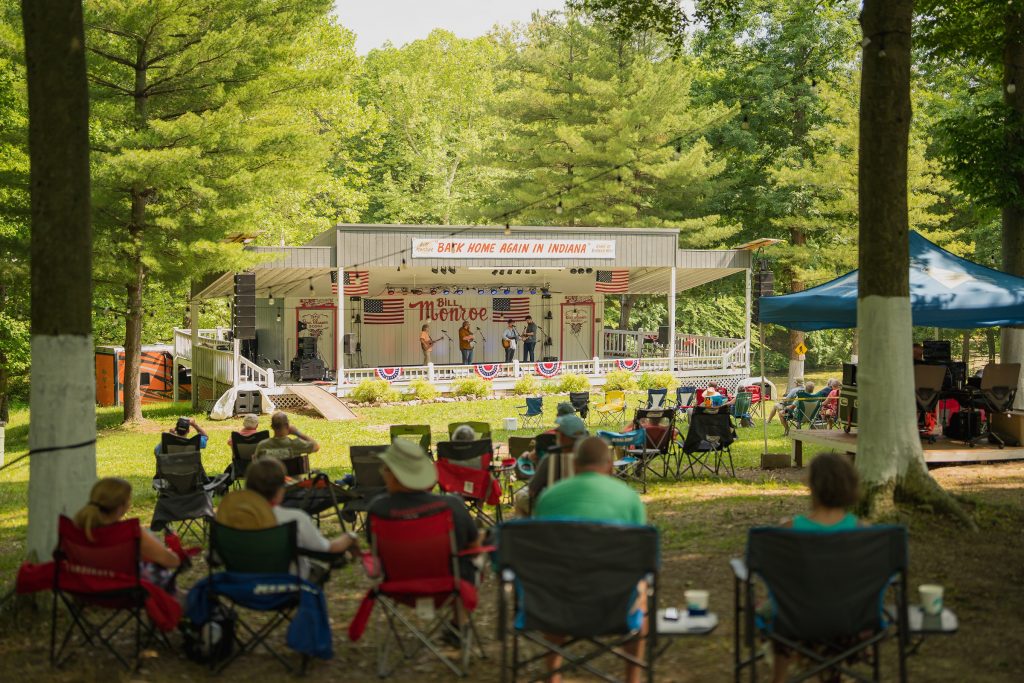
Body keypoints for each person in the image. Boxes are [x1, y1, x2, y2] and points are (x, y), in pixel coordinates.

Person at [532, 437, 648, 683]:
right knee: (642, 587)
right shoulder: (628, 498)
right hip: (614, 603)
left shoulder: (549, 497)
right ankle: (632, 677)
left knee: (552, 578)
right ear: (609, 465)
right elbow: (640, 558)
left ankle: (553, 673)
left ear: (574, 465)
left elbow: (542, 554)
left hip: (556, 604)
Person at [771, 452, 862, 683]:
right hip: (851, 619)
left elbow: (774, 574)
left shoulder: (788, 529)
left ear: (811, 486)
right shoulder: (865, 532)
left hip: (795, 618)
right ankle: (832, 669)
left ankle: (779, 678)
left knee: (777, 606)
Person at [241, 458, 359, 580]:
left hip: (244, 585)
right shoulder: (294, 518)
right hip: (289, 585)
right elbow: (327, 550)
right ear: (281, 489)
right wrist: (350, 537)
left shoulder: (227, 519)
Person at [74, 477, 183, 590]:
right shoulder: (130, 532)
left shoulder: (75, 529)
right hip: (124, 591)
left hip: (86, 588)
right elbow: (172, 562)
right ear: (122, 506)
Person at [514, 414, 589, 516]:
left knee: (520, 496)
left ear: (562, 437)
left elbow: (532, 489)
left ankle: (529, 529)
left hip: (552, 514)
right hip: (585, 512)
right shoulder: (591, 459)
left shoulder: (551, 460)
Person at [254, 411, 320, 461]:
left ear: (272, 426)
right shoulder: (296, 444)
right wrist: (297, 433)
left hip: (271, 479)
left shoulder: (263, 445)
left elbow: (256, 463)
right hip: (293, 479)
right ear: (287, 425)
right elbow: (316, 446)